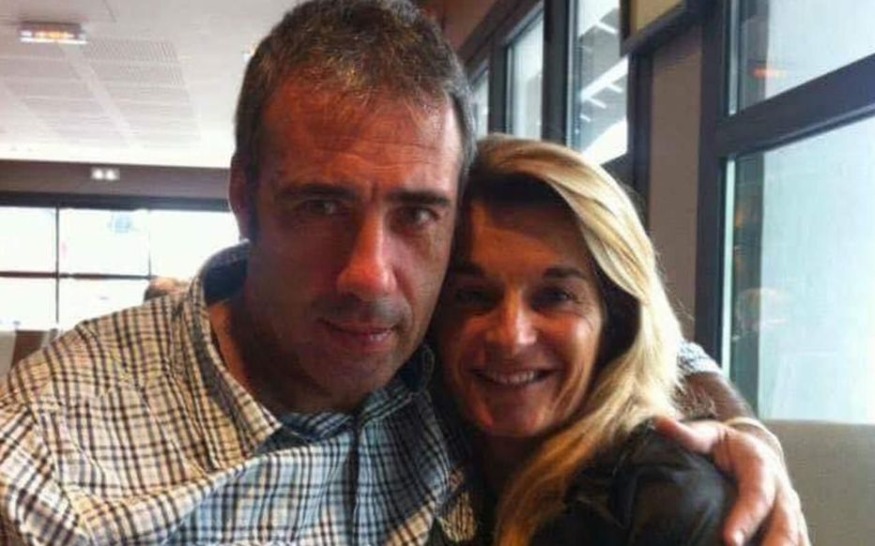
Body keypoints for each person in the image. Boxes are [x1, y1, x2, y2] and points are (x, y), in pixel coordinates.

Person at [0, 1, 804, 545]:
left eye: (417, 214)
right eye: (321, 206)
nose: (371, 278)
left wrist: (746, 435)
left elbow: (632, 345)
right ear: (244, 198)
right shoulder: (44, 455)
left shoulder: (439, 366)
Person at [431, 135, 752, 545]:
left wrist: (748, 430)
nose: (511, 337)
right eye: (473, 295)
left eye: (555, 297)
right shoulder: (420, 434)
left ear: (615, 319)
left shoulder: (662, 501)